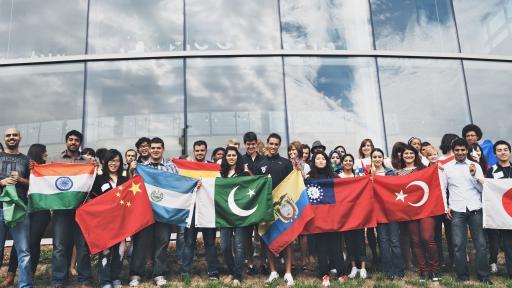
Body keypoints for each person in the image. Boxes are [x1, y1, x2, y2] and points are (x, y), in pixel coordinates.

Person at [129, 137, 179, 287]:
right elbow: (131, 187)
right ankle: (136, 274)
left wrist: (194, 185)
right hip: (145, 212)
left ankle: (159, 273)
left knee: (162, 242)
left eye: (159, 148)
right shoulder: (140, 167)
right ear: (149, 150)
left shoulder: (171, 167)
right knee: (140, 243)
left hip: (164, 213)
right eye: (153, 148)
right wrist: (131, 170)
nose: (156, 150)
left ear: (163, 149)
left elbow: (180, 185)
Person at [443, 138, 491, 284]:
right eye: (457, 150)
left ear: (467, 150)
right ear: (453, 151)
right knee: (458, 245)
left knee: (481, 244)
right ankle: (462, 276)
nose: (460, 153)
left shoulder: (475, 165)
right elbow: (443, 189)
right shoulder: (447, 167)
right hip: (457, 210)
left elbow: (482, 189)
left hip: (475, 208)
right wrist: (446, 206)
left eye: (463, 150)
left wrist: (474, 176)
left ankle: (483, 276)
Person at [48, 130, 93, 288]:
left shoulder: (88, 162)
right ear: (66, 141)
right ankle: (59, 280)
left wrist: (97, 165)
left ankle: (84, 280)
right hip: (61, 210)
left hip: (81, 210)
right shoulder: (54, 160)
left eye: (76, 140)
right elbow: (46, 180)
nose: (73, 142)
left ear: (80, 143)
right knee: (60, 246)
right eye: (70, 139)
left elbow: (93, 183)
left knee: (82, 246)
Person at [2, 144, 51, 287]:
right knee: (20, 244)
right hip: (23, 208)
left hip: (41, 212)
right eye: (44, 153)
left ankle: (30, 276)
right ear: (38, 153)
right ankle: (10, 276)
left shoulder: (46, 171)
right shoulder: (24, 165)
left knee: (33, 243)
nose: (47, 155)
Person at [254, 133, 294, 286]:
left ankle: (288, 272)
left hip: (284, 207)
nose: (273, 146)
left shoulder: (286, 163)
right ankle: (273, 272)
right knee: (268, 240)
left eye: (276, 144)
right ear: (267, 144)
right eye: (271, 143)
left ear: (279, 145)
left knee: (287, 239)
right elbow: (256, 186)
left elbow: (292, 184)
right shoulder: (260, 164)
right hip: (266, 208)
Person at [400, 145, 441, 281]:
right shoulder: (397, 173)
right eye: (406, 153)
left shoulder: (425, 169)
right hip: (410, 211)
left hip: (426, 209)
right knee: (415, 241)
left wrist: (438, 169)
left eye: (411, 153)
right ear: (402, 156)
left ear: (416, 155)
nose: (409, 155)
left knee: (427, 238)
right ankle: (423, 270)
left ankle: (434, 270)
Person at [306, 151, 347, 286]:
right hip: (318, 218)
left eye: (323, 158)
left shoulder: (334, 176)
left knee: (336, 246)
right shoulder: (309, 177)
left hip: (333, 217)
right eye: (318, 158)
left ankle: (341, 272)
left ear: (327, 161)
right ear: (314, 161)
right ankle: (324, 274)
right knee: (322, 247)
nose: (321, 160)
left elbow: (345, 190)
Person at [181, 140, 220, 279]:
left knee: (210, 242)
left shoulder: (213, 168)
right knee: (189, 242)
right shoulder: (187, 167)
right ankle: (185, 272)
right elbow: (181, 184)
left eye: (202, 150)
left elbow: (219, 185)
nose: (199, 153)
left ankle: (213, 272)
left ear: (206, 151)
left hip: (208, 209)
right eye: (197, 150)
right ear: (193, 151)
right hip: (191, 209)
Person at [90, 149, 128, 288]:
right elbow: (93, 199)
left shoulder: (125, 179)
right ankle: (105, 281)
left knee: (120, 251)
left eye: (117, 160)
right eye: (111, 160)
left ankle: (115, 278)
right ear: (106, 162)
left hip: (121, 223)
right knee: (105, 252)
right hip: (104, 223)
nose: (114, 163)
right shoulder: (99, 178)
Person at [0, 128, 31, 288]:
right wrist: (1, 182)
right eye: (8, 135)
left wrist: (21, 179)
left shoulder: (27, 160)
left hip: (19, 210)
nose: (11, 138)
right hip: (0, 209)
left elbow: (34, 185)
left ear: (20, 137)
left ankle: (25, 285)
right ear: (4, 139)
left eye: (14, 135)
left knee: (24, 251)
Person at [371, 148, 404, 280]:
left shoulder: (390, 173)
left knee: (395, 241)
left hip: (392, 212)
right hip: (378, 212)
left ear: (383, 158)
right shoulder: (368, 174)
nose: (377, 159)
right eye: (375, 157)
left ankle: (399, 269)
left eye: (379, 156)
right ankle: (388, 270)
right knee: (383, 241)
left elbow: (396, 189)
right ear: (371, 159)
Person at [219, 146, 249, 286]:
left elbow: (252, 187)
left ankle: (237, 276)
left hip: (239, 215)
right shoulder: (221, 174)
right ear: (225, 158)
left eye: (234, 155)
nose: (231, 157)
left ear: (238, 157)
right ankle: (232, 271)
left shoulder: (244, 173)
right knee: (224, 246)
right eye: (229, 155)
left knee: (239, 247)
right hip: (225, 215)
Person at [485, 140, 512, 278]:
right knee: (508, 245)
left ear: (510, 151)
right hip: (505, 214)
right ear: (495, 153)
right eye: (499, 150)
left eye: (505, 149)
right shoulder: (491, 172)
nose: (503, 152)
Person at [339, 154, 367, 279]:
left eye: (350, 160)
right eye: (346, 160)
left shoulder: (359, 176)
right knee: (348, 242)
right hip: (345, 215)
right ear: (342, 163)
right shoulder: (338, 177)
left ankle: (363, 268)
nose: (348, 162)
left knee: (360, 241)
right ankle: (354, 267)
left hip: (358, 214)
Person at [240, 132, 264, 275]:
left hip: (261, 203)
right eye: (248, 144)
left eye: (253, 143)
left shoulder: (264, 159)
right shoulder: (240, 160)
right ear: (245, 144)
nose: (250, 146)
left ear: (256, 143)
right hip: (246, 204)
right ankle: (250, 263)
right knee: (247, 235)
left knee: (262, 235)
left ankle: (263, 263)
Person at [354, 139, 379, 265]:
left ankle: (380, 254)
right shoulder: (357, 162)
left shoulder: (378, 158)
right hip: (364, 196)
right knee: (369, 227)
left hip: (378, 195)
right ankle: (373, 254)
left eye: (369, 145)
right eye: (364, 146)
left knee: (379, 227)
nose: (366, 148)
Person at [287, 141, 311, 272]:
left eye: (294, 150)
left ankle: (304, 259)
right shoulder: (285, 164)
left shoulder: (306, 165)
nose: (291, 153)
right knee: (290, 231)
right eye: (290, 150)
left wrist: (299, 169)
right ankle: (291, 261)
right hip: (289, 200)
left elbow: (306, 180)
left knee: (303, 232)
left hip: (301, 199)